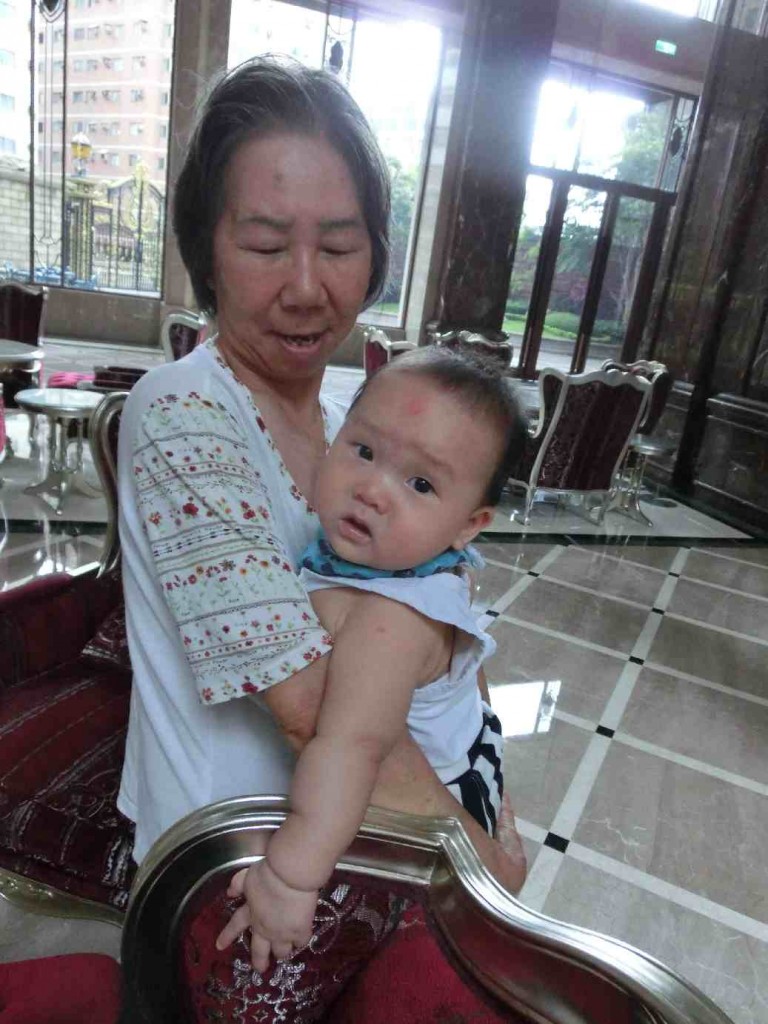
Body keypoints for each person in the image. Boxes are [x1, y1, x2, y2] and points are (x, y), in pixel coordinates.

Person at [116, 54, 525, 1020]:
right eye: (264, 245)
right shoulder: (183, 414)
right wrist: (486, 862)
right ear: (206, 249)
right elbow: (312, 710)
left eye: (339, 245)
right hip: (244, 865)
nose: (307, 288)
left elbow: (441, 596)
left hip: (366, 839)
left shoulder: (361, 420)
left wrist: (491, 781)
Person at [215, 346, 527, 971]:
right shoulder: (403, 558)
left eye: (420, 483)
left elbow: (352, 747)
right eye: (363, 450)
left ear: (469, 523)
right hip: (470, 760)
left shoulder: (390, 617)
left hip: (436, 815)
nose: (373, 490)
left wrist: (292, 878)